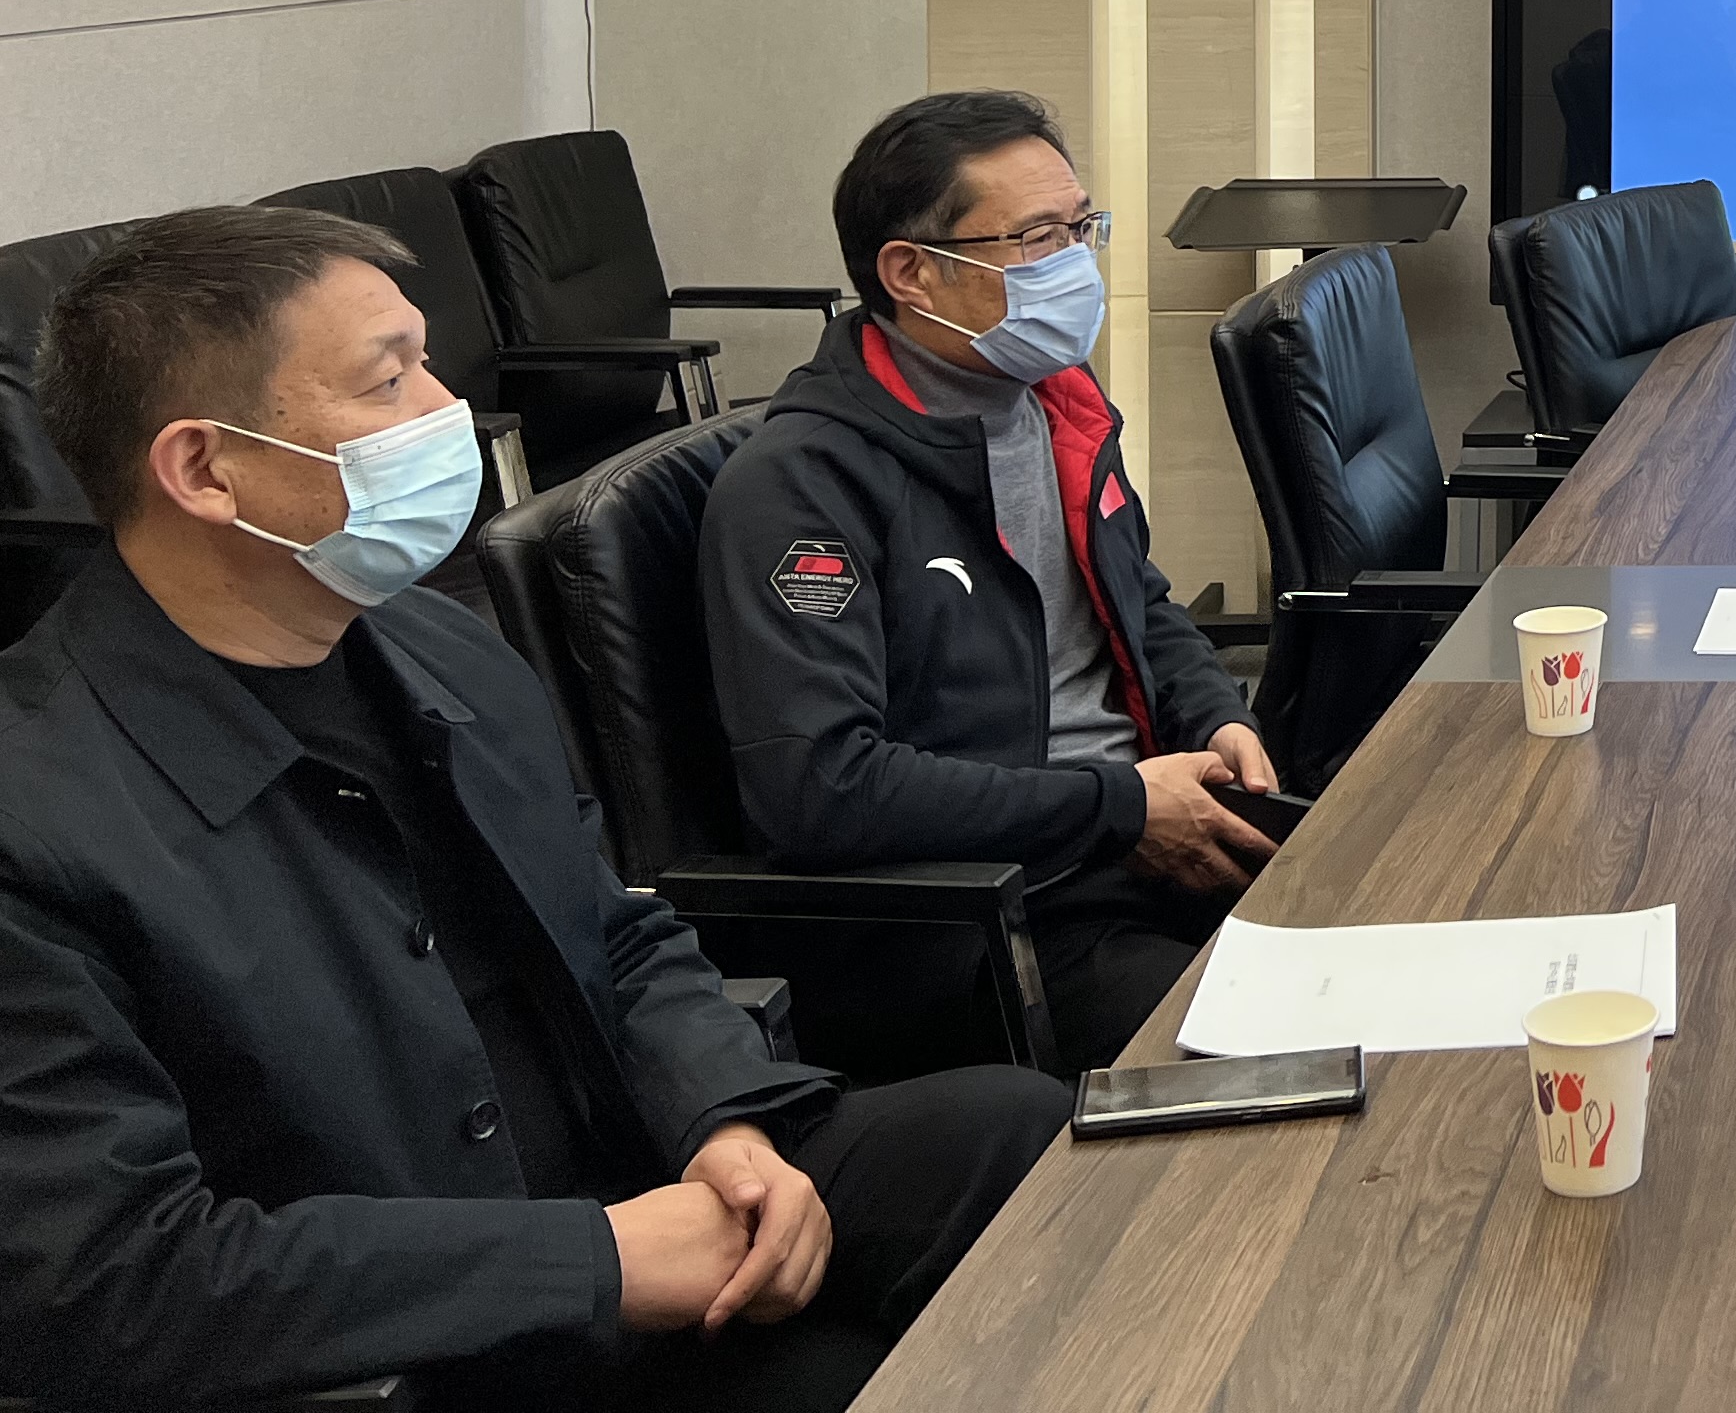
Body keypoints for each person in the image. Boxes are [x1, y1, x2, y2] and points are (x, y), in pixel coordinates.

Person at [0, 207, 1062, 1410]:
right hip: (420, 1336)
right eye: (388, 381)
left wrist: (723, 1124)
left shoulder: (440, 650)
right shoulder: (38, 817)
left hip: (624, 1197)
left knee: (1016, 1140)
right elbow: (107, 1280)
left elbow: (615, 930)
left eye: (428, 362)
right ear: (204, 469)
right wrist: (592, 1261)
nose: (446, 408)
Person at [700, 91, 1273, 1073]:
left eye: (1080, 228)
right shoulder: (801, 488)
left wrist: (1217, 716)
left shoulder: (1055, 405)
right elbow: (823, 787)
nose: (1074, 264)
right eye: (1037, 238)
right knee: (1284, 1051)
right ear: (911, 272)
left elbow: (1139, 599)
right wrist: (1115, 807)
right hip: (996, 920)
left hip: (1140, 837)